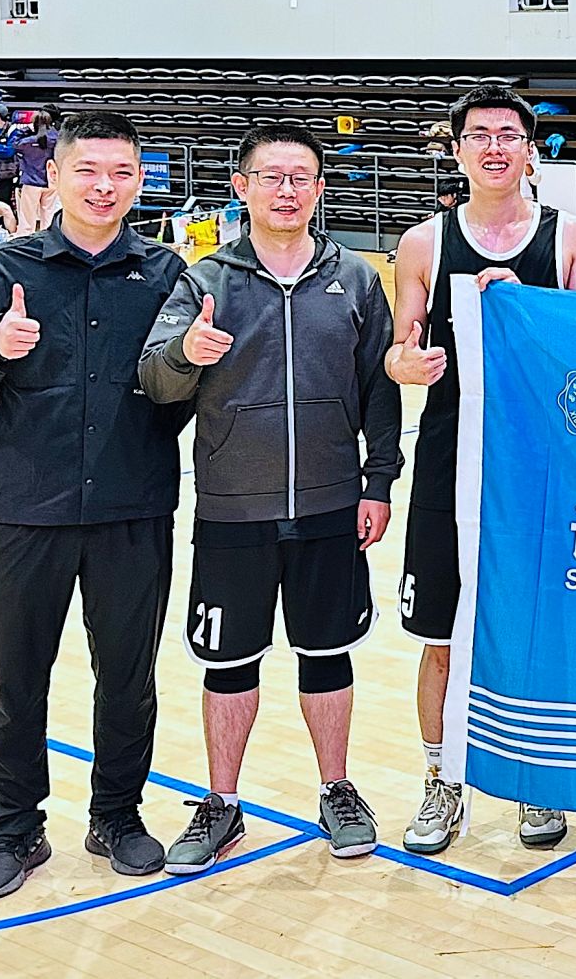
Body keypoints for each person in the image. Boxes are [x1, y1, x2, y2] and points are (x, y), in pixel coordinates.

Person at [0, 111, 191, 900]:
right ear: (56, 176)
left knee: (128, 678)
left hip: (132, 507)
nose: (104, 186)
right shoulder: (2, 269)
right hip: (25, 509)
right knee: (14, 681)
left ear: (139, 179)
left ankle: (116, 814)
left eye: (121, 172)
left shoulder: (167, 272)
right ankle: (14, 829)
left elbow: (179, 387)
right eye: (88, 169)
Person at [138, 122, 402, 871]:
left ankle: (338, 789)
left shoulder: (356, 278)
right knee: (229, 663)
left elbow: (380, 389)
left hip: (330, 505)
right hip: (233, 508)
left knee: (327, 654)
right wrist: (186, 353)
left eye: (301, 178)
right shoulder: (204, 281)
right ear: (241, 186)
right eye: (271, 177)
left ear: (319, 188)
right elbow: (154, 378)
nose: (287, 191)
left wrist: (378, 482)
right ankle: (222, 803)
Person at [386, 85, 576, 857]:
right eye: (479, 134)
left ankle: (537, 774)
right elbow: (398, 349)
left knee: (536, 625)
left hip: (541, 462)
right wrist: (406, 363)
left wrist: (530, 308)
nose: (494, 147)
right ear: (457, 150)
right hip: (450, 458)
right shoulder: (424, 243)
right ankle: (442, 778)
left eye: (509, 134)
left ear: (529, 149)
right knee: (440, 634)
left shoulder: (570, 235)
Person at [12, 110, 59, 234]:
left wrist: (26, 129)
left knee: (27, 221)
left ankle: (25, 243)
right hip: (51, 182)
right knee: (48, 218)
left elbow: (14, 143)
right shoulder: (56, 139)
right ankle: (48, 242)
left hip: (31, 181)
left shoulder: (28, 141)